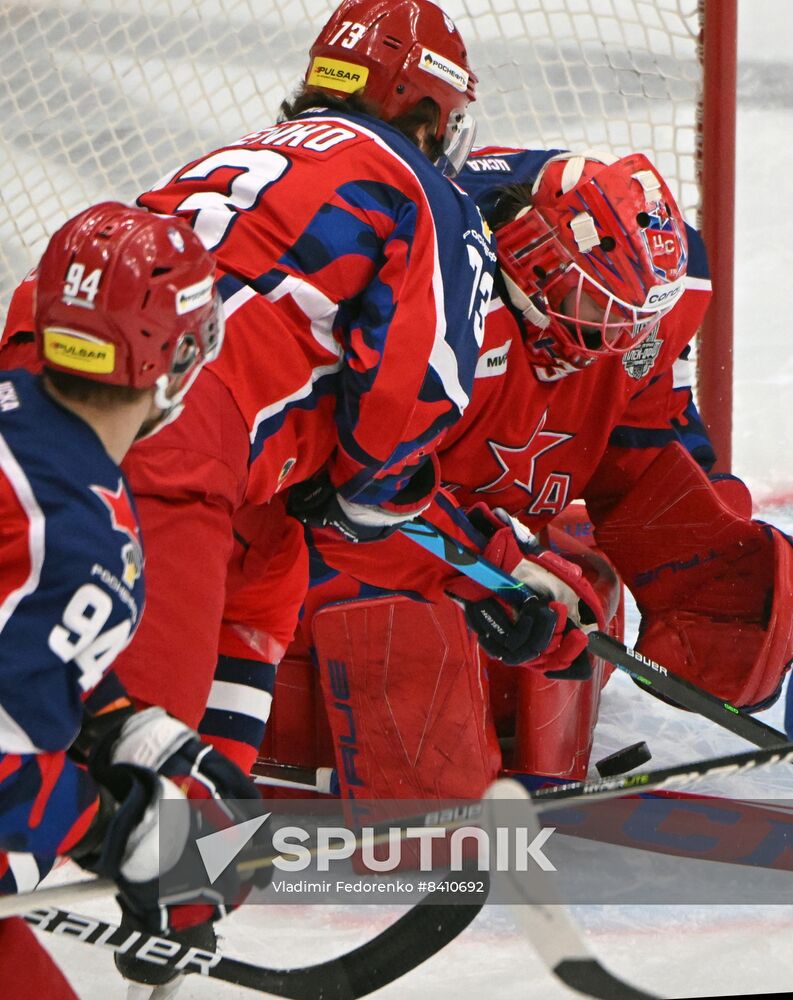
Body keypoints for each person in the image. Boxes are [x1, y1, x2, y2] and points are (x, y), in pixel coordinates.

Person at [252, 147, 793, 804]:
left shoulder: (642, 294)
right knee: (406, 615)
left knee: (720, 568)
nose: (620, 337)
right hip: (350, 539)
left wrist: (710, 566)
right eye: (598, 309)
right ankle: (415, 803)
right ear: (536, 263)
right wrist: (492, 564)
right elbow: (351, 491)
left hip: (478, 526)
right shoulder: (424, 280)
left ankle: (534, 752)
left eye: (636, 318)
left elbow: (650, 442)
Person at [0, 202, 265, 999]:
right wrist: (118, 831)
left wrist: (116, 722)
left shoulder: (31, 429)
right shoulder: (72, 536)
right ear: (181, 355)